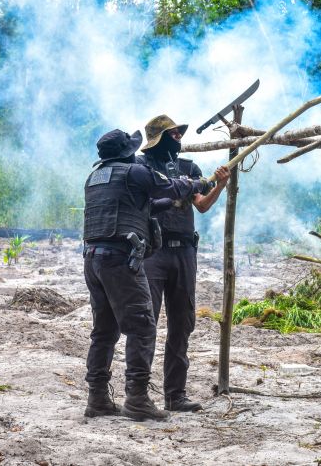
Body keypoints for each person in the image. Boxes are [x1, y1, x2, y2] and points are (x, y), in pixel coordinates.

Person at [83, 128, 212, 421]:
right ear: (126, 152)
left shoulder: (96, 177)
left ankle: (98, 398)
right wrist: (200, 183)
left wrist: (169, 203)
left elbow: (145, 205)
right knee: (142, 327)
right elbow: (170, 186)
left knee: (104, 331)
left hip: (93, 258)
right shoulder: (134, 172)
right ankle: (137, 399)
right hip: (120, 259)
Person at [136, 115, 230, 412]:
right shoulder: (141, 168)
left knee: (182, 323)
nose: (178, 138)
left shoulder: (189, 168)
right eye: (172, 134)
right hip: (153, 252)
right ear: (158, 139)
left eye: (178, 134)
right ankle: (138, 394)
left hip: (184, 252)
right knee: (145, 321)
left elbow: (201, 205)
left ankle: (175, 396)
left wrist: (221, 184)